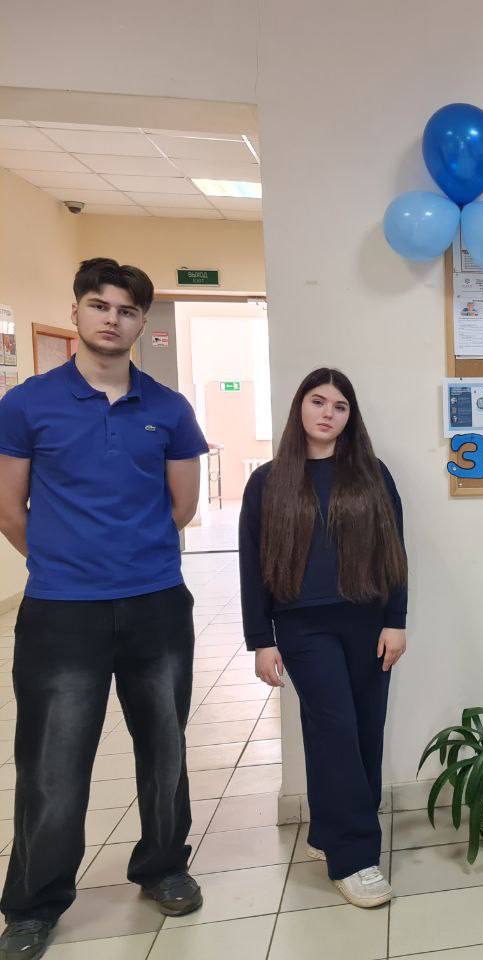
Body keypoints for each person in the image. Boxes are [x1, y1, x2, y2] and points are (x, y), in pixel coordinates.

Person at [0, 259, 207, 959]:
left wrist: (130, 557)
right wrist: (67, 560)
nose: (111, 319)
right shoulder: (27, 404)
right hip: (63, 613)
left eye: (125, 309)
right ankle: (34, 904)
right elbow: (10, 509)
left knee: (165, 749)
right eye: (99, 305)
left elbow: (183, 506)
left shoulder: (169, 409)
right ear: (78, 312)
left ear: (141, 322)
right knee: (53, 764)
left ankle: (164, 866)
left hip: (156, 604)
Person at [239, 368, 407, 909]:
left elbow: (394, 553)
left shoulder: (372, 475)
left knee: (363, 732)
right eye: (318, 402)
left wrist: (396, 620)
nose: (327, 413)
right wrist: (260, 639)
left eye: (340, 406)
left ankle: (328, 831)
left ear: (350, 417)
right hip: (303, 626)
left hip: (368, 622)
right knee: (334, 730)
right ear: (300, 408)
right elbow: (252, 566)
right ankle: (354, 858)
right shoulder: (268, 481)